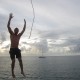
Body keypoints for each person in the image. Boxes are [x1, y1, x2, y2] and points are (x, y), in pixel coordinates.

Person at [7, 13, 26, 78]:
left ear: (18, 31)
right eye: (15, 30)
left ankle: (22, 71)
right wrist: (10, 18)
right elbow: (8, 26)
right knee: (13, 61)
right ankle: (12, 73)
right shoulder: (11, 34)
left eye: (17, 31)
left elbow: (23, 30)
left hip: (17, 49)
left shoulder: (19, 35)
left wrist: (25, 24)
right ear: (14, 30)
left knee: (20, 60)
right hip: (12, 49)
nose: (16, 31)